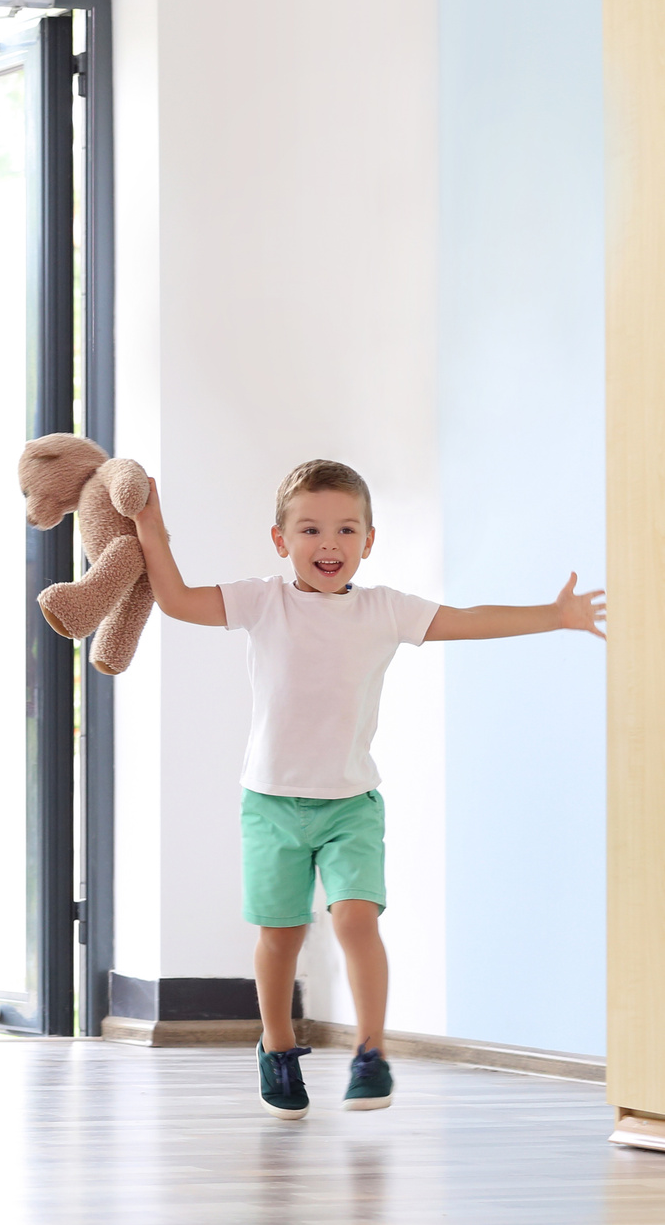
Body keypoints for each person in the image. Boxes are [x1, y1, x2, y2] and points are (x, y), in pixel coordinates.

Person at [134, 459, 605, 1118]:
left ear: (368, 540)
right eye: (309, 529)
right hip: (269, 802)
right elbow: (178, 599)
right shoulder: (262, 599)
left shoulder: (384, 609)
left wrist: (553, 615)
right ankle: (275, 1044)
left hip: (349, 803)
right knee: (280, 932)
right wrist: (152, 529)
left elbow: (468, 618)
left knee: (356, 917)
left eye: (344, 529)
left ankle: (369, 1051)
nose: (328, 543)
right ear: (280, 540)